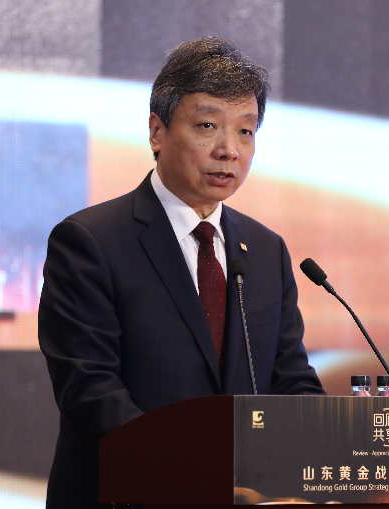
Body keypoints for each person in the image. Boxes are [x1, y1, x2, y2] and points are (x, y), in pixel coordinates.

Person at [38, 36, 325, 508]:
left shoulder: (266, 251)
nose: (229, 150)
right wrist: (198, 477)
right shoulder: (90, 241)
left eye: (245, 131)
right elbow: (90, 390)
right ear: (157, 132)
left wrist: (330, 443)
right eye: (208, 125)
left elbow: (290, 381)